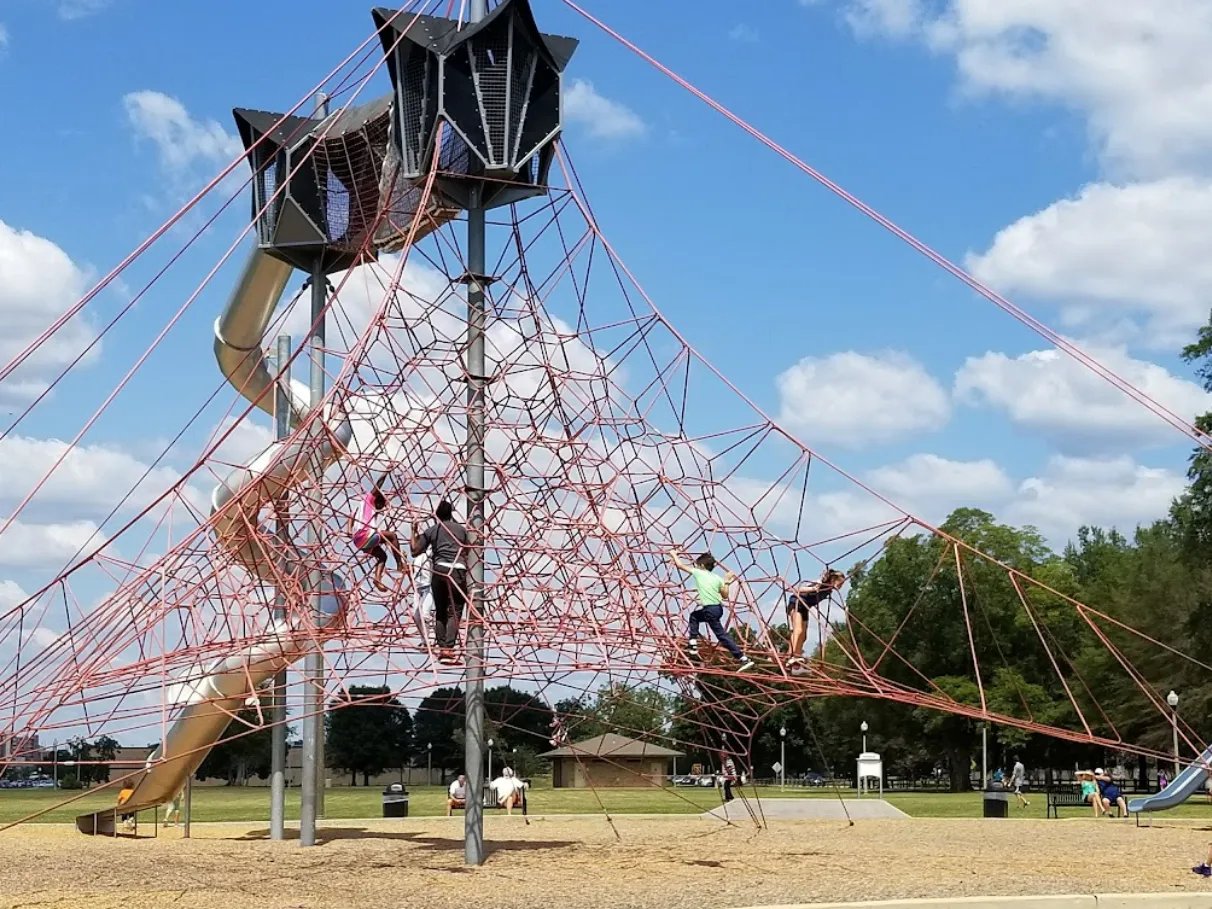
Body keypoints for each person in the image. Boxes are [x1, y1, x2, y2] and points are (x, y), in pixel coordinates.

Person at [668, 549, 754, 672]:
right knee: (694, 616)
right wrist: (727, 582)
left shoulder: (699, 573)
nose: (696, 566)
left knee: (721, 636)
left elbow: (680, 565)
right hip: (717, 608)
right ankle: (692, 642)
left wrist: (674, 554)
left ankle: (742, 658)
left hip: (710, 609)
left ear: (702, 565)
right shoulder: (717, 578)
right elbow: (725, 595)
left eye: (698, 565)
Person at [411, 500, 469, 665]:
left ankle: (442, 646)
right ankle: (448, 649)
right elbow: (469, 550)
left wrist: (413, 532)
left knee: (441, 611)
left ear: (437, 515)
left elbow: (415, 551)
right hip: (457, 571)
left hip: (439, 571)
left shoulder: (433, 530)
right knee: (455, 611)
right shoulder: (461, 530)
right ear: (451, 513)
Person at [348, 473, 404, 591]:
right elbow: (377, 486)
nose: (381, 508)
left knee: (382, 556)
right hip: (365, 535)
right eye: (381, 505)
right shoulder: (369, 499)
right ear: (377, 500)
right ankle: (400, 564)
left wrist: (349, 530)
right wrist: (386, 473)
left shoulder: (361, 506)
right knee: (392, 536)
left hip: (358, 542)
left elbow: (351, 516)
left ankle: (377, 580)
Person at [785, 570, 846, 666]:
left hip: (805, 607)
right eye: (840, 583)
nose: (841, 586)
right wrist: (813, 589)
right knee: (798, 630)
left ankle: (793, 655)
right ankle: (792, 656)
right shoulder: (820, 584)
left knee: (804, 637)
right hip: (796, 603)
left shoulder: (828, 591)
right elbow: (796, 589)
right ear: (833, 580)